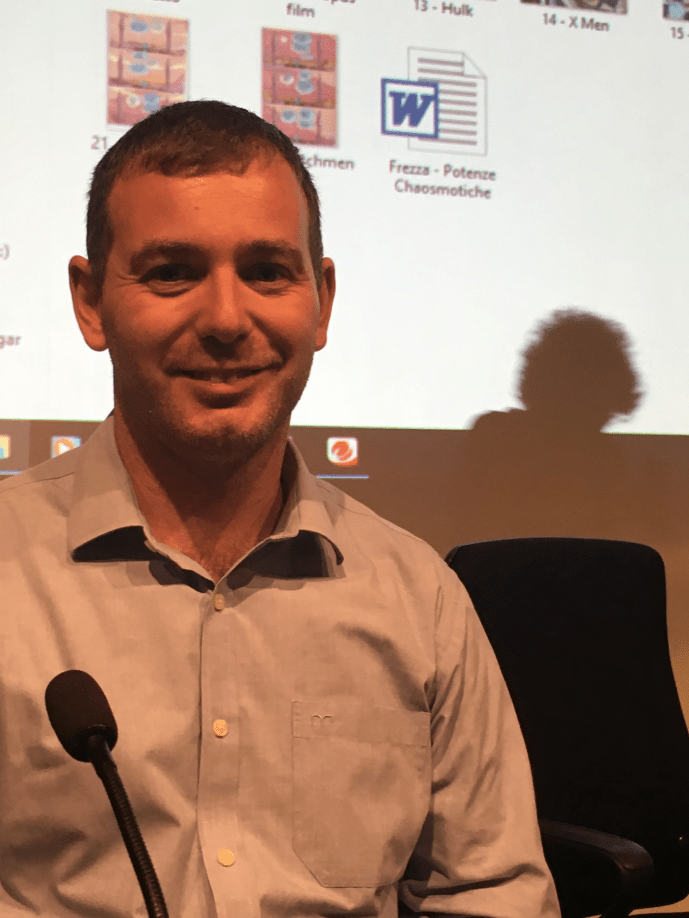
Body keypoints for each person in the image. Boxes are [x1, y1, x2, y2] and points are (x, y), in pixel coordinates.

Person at [0, 101, 560, 918]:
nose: (227, 320)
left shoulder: (420, 599)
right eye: (172, 272)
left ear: (320, 301)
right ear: (90, 303)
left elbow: (490, 892)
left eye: (267, 272)